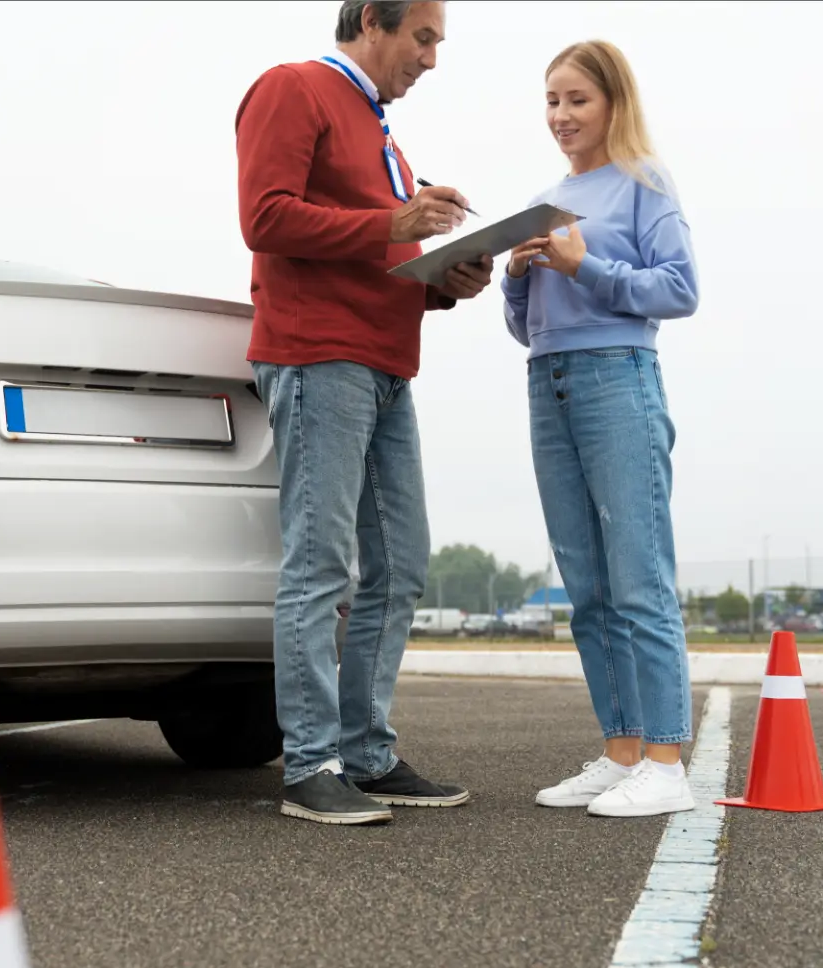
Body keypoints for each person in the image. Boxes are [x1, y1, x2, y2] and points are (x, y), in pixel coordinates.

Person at [235, 0, 493, 826]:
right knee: (321, 566)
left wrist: (445, 277)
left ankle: (366, 754)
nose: (431, 59)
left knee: (401, 564)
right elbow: (264, 217)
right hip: (319, 359)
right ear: (373, 23)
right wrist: (394, 221)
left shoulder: (381, 132)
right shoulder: (295, 88)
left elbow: (374, 251)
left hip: (383, 364)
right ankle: (311, 764)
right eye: (423, 38)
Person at [501, 40, 702, 818]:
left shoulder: (646, 183)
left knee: (637, 576)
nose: (560, 116)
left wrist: (585, 265)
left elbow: (680, 290)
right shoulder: (545, 197)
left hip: (618, 379)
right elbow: (529, 330)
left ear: (613, 102)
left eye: (576, 100)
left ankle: (665, 760)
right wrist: (517, 277)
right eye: (551, 101)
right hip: (546, 382)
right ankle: (621, 750)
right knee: (585, 586)